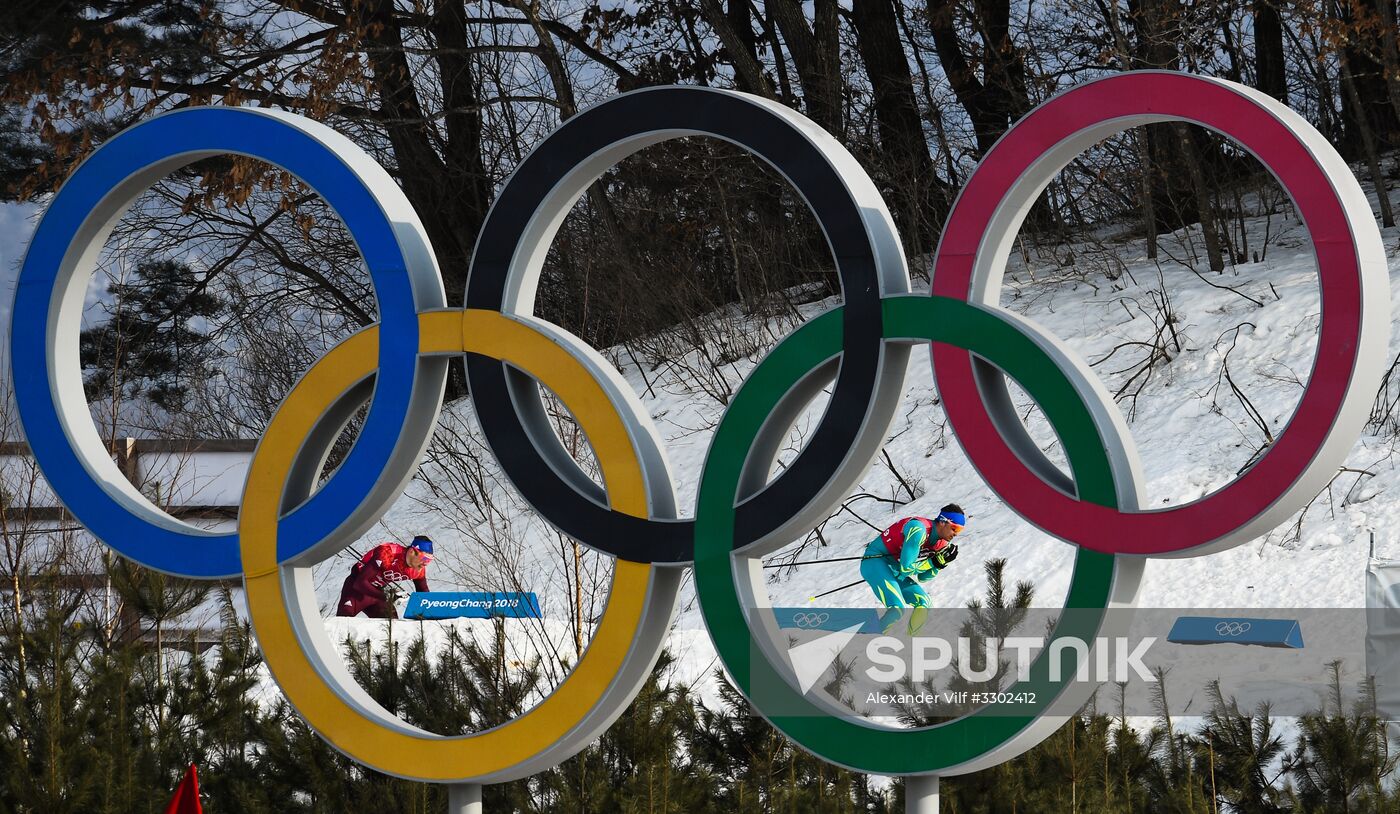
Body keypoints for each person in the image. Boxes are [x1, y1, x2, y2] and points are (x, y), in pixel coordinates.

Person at [859, 505, 966, 634]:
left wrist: (939, 565)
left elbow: (923, 578)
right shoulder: (919, 529)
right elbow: (906, 568)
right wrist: (932, 562)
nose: (956, 534)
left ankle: (911, 644)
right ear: (943, 522)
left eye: (960, 530)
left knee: (924, 603)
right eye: (954, 528)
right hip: (874, 561)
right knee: (897, 609)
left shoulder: (941, 544)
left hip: (893, 567)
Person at [336, 535, 434, 619]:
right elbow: (360, 583)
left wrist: (432, 614)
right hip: (355, 589)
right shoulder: (388, 553)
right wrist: (387, 596)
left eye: (429, 560)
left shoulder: (418, 569)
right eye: (424, 558)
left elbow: (424, 595)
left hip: (377, 592)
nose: (425, 564)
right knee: (343, 622)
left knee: (392, 624)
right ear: (412, 551)